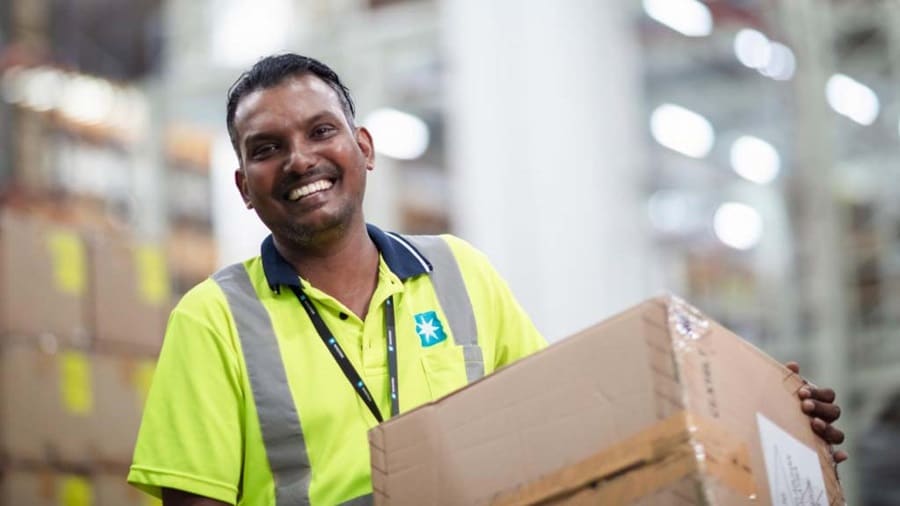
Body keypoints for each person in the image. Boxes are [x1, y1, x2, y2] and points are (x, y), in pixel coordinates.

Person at [127, 54, 846, 506]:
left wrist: (769, 424)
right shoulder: (213, 319)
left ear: (363, 149)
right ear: (244, 187)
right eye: (267, 149)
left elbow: (572, 432)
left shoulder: (458, 275)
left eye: (321, 131)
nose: (300, 160)